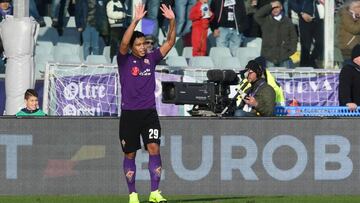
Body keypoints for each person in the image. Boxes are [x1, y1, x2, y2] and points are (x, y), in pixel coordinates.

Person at [117, 3, 175, 203]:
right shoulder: (124, 60)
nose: (143, 47)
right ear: (132, 46)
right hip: (130, 114)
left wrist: (172, 21)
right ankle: (133, 195)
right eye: (139, 44)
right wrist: (134, 21)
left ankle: (154, 193)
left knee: (154, 149)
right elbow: (124, 43)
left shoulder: (152, 58)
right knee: (130, 154)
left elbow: (169, 42)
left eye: (145, 44)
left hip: (149, 113)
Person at [254, 0, 297, 68]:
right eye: (273, 8)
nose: (275, 10)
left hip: (284, 57)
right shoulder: (265, 20)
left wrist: (291, 51)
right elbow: (257, 15)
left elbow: (293, 38)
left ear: (281, 7)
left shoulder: (288, 21)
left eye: (277, 7)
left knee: (285, 78)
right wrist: (270, 5)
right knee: (270, 78)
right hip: (269, 58)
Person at [289, 0, 324, 68]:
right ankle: (304, 66)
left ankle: (311, 60)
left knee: (321, 42)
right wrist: (302, 13)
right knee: (305, 45)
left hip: (319, 19)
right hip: (304, 20)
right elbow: (292, 2)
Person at [339, 44, 360, 111]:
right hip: (353, 112)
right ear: (356, 58)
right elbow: (344, 87)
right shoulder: (348, 70)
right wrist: (347, 102)